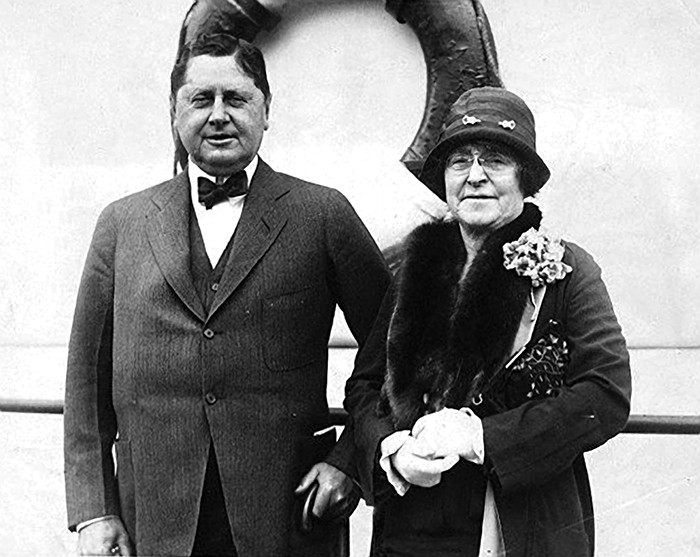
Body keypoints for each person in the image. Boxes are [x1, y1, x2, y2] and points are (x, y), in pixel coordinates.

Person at [64, 32, 391, 557]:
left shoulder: (322, 214)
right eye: (201, 99)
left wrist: (349, 461)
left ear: (266, 109)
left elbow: (398, 346)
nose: (219, 115)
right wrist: (94, 511)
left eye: (236, 98)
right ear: (174, 112)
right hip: (154, 520)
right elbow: (86, 382)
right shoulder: (122, 224)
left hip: (289, 516)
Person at [344, 86, 632, 557]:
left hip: (516, 523)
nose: (475, 175)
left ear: (524, 179)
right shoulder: (413, 270)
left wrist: (481, 438)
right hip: (410, 526)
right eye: (460, 162)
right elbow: (364, 387)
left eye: (495, 160)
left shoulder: (566, 270)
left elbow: (606, 393)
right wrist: (391, 452)